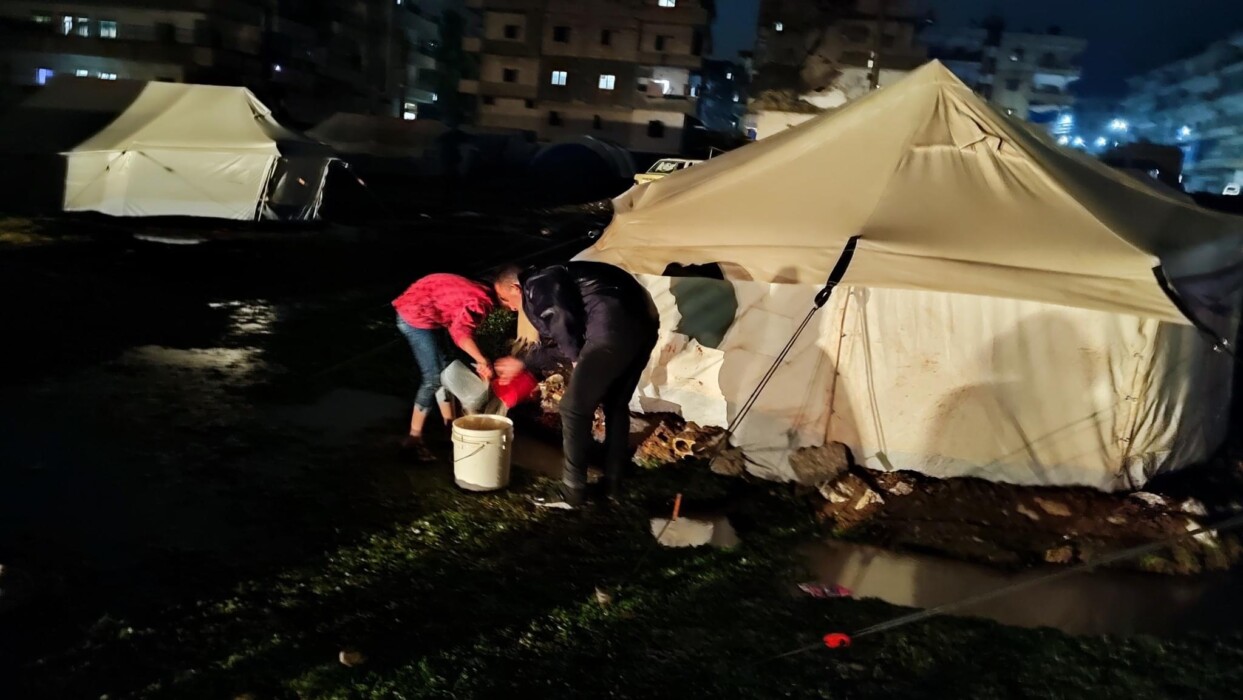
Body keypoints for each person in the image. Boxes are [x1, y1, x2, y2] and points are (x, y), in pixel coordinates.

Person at [492, 261, 659, 507]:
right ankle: (613, 484)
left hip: (611, 326)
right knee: (615, 403)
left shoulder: (537, 281)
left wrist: (574, 358)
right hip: (642, 327)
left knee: (573, 408)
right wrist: (523, 362)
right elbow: (556, 342)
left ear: (516, 287)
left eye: (505, 300)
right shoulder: (560, 282)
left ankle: (572, 492)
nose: (510, 309)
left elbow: (558, 318)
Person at [393, 273, 495, 462]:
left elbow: (457, 322)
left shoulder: (480, 289)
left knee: (445, 370)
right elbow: (460, 332)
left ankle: (451, 431)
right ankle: (413, 439)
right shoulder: (482, 301)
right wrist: (482, 360)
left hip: (425, 308)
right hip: (414, 316)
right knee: (432, 378)